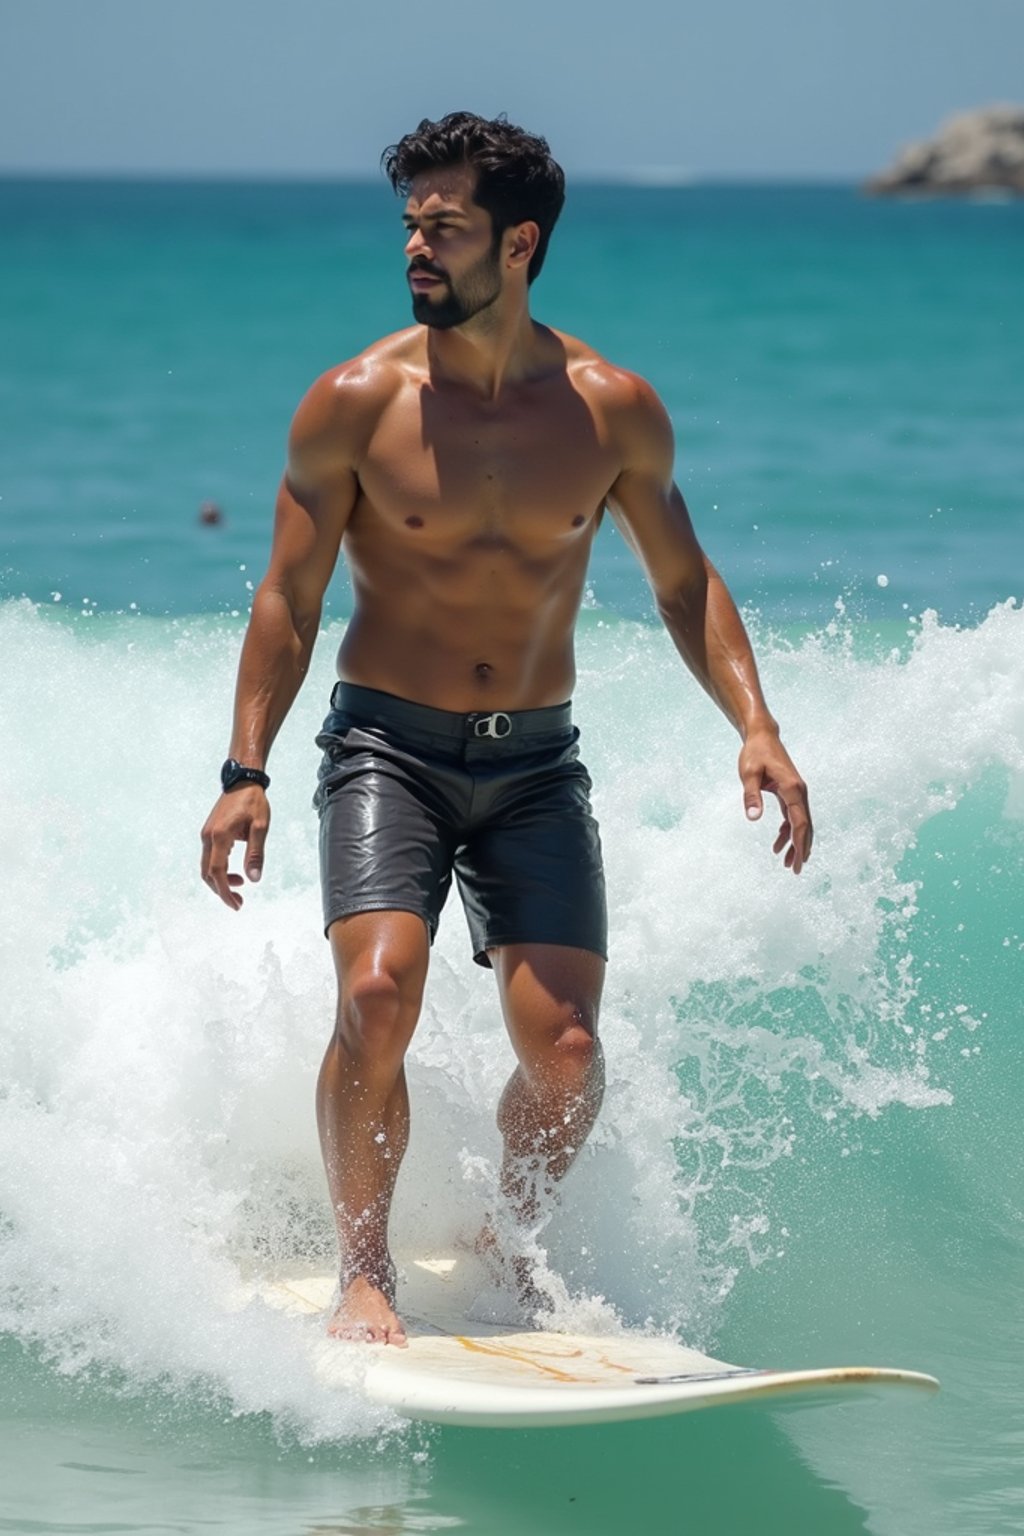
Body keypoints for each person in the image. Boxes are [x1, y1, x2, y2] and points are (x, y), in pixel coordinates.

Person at [200, 112, 812, 1348]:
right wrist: (245, 770)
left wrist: (758, 725)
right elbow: (287, 597)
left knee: (569, 1054)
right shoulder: (355, 404)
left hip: (534, 760)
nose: (416, 248)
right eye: (410, 225)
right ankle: (362, 1271)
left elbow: (683, 585)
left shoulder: (610, 410)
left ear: (519, 243)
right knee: (377, 995)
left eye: (446, 226)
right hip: (387, 749)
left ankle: (503, 1239)